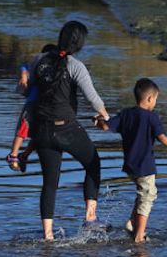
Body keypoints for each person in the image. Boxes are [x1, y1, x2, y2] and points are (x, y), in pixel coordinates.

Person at [28, 21, 109, 241]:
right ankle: (90, 218)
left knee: (50, 182)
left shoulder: (38, 60)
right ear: (80, 44)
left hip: (41, 131)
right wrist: (107, 117)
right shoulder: (76, 66)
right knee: (93, 163)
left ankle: (48, 236)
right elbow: (93, 99)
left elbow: (24, 92)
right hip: (67, 129)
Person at [104, 78, 167, 243]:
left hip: (130, 166)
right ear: (149, 99)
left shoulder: (125, 113)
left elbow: (106, 126)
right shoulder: (151, 117)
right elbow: (162, 138)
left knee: (143, 194)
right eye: (156, 99)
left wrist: (98, 120)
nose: (155, 103)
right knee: (148, 196)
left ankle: (132, 223)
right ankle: (139, 236)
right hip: (144, 166)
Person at [6, 43, 56, 174]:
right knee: (23, 128)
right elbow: (24, 65)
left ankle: (25, 155)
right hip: (33, 102)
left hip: (46, 106)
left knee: (39, 135)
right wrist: (23, 74)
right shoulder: (38, 66)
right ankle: (13, 154)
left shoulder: (57, 68)